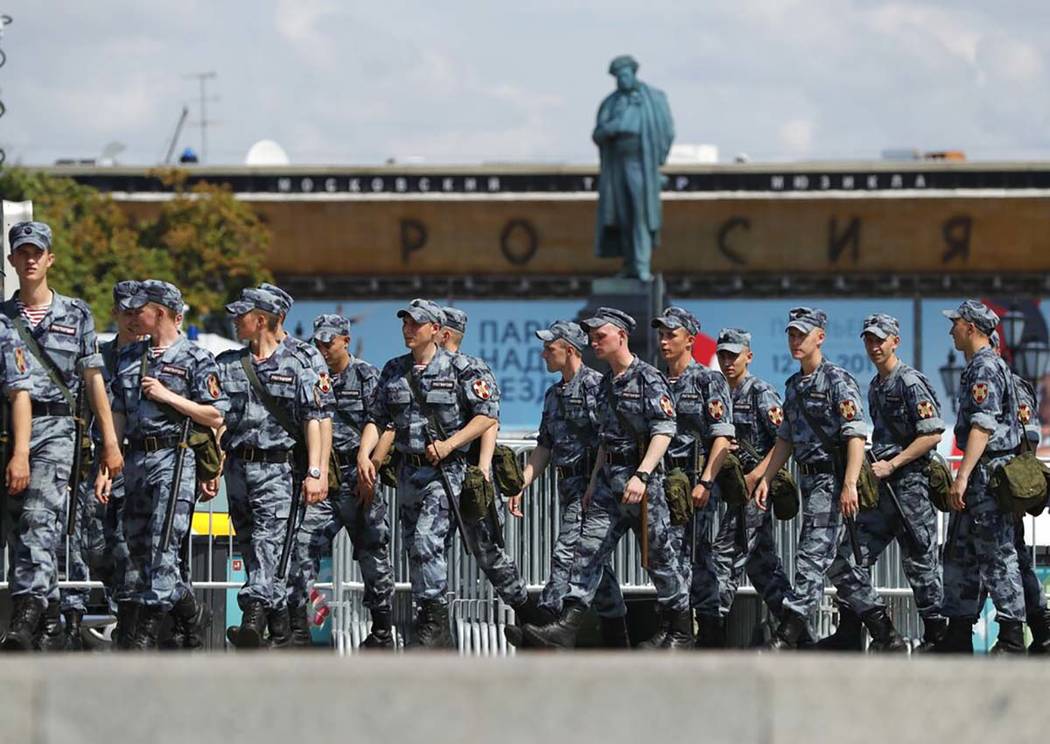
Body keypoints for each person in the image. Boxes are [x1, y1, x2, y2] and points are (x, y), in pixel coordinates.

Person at [357, 299, 546, 648]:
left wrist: (452, 446)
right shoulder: (394, 370)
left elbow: (487, 416)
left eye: (416, 324)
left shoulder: (465, 368)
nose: (408, 329)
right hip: (409, 476)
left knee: (477, 550)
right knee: (418, 549)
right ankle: (434, 624)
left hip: (452, 475)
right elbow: (378, 419)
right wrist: (365, 455)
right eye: (405, 323)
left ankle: (530, 616)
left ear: (435, 330)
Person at [523, 307, 690, 650]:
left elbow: (664, 430)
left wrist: (642, 475)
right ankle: (566, 626)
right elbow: (603, 439)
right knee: (586, 553)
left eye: (601, 336)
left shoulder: (647, 377)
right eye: (593, 336)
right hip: (605, 487)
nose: (595, 341)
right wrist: (593, 483)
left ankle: (681, 630)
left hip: (642, 485)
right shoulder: (605, 385)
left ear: (622, 337)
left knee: (660, 559)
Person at [1, 220, 123, 652]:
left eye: (38, 252)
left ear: (50, 258)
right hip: (10, 431)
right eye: (23, 253)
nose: (30, 259)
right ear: (13, 260)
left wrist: (109, 441)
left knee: (39, 517)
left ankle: (26, 614)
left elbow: (93, 380)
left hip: (57, 430)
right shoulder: (2, 319)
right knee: (27, 530)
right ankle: (51, 620)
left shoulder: (76, 313)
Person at [753, 307, 889, 650]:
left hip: (832, 483)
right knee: (839, 565)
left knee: (810, 557)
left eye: (802, 334)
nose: (795, 341)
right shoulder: (794, 385)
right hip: (810, 482)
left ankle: (788, 634)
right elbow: (785, 438)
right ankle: (887, 633)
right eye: (791, 335)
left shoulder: (837, 380)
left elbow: (855, 435)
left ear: (820, 337)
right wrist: (768, 478)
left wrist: (849, 484)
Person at [98, 280, 223, 650]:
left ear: (162, 313)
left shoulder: (196, 358)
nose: (135, 315)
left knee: (163, 547)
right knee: (136, 550)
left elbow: (215, 414)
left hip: (175, 458)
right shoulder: (129, 358)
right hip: (135, 459)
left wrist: (168, 396)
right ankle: (190, 613)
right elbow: (118, 411)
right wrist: (109, 464)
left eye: (143, 309)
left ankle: (145, 635)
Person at [823, 313, 944, 651]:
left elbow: (933, 432)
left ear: (895, 341)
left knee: (921, 566)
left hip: (910, 488)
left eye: (880, 339)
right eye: (869, 339)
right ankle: (879, 632)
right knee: (846, 557)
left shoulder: (909, 382)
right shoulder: (876, 385)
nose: (874, 345)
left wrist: (894, 463)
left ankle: (939, 638)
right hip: (882, 491)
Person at [506, 320, 628, 648]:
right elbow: (544, 446)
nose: (544, 353)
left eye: (550, 347)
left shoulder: (596, 387)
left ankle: (546, 621)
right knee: (594, 568)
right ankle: (619, 640)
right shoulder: (553, 394)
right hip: (568, 486)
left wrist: (593, 485)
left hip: (593, 487)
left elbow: (608, 439)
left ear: (570, 350)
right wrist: (522, 483)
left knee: (567, 553)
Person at [216, 287, 326, 648]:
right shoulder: (229, 364)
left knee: (268, 545)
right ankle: (280, 632)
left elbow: (316, 419)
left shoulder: (297, 364)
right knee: (251, 547)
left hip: (278, 471)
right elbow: (218, 420)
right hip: (237, 470)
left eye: (241, 314)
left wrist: (316, 471)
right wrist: (212, 468)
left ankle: (253, 617)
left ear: (260, 320)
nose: (234, 319)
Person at [291, 313, 396, 649]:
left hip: (358, 479)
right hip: (323, 481)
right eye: (318, 341)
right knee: (301, 549)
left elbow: (385, 424)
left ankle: (381, 630)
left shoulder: (366, 376)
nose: (322, 348)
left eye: (329, 342)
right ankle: (297, 630)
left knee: (373, 555)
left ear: (345, 341)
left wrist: (373, 465)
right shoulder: (310, 378)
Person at [932, 302, 1027, 654]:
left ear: (971, 328)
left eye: (955, 324)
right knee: (961, 556)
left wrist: (962, 476)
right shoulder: (978, 366)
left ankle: (1013, 638)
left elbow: (983, 426)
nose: (951, 330)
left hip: (985, 475)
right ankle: (957, 634)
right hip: (979, 477)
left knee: (997, 556)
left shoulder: (985, 367)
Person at [61, 280, 142, 650]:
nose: (132, 319)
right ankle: (73, 617)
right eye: (125, 312)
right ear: (115, 313)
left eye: (137, 312)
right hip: (95, 464)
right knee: (87, 544)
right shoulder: (99, 358)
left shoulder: (153, 358)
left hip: (138, 464)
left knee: (128, 547)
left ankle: (128, 620)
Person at [648, 307, 733, 649]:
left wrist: (706, 482)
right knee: (671, 556)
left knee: (686, 554)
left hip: (693, 481)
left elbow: (723, 437)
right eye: (661, 334)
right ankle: (680, 627)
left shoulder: (706, 380)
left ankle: (695, 631)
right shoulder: (655, 380)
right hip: (662, 482)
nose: (664, 341)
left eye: (672, 334)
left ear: (690, 340)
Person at [709, 328, 794, 639]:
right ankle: (798, 632)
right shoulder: (717, 392)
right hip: (729, 488)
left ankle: (710, 632)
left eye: (734, 355)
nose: (728, 361)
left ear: (749, 356)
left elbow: (783, 440)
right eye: (723, 355)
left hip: (753, 490)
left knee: (725, 555)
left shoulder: (760, 392)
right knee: (762, 567)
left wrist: (757, 476)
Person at [592, 55, 674, 280]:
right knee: (622, 216)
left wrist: (659, 161)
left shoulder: (654, 99)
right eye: (617, 77)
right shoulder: (611, 104)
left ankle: (641, 265)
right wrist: (611, 128)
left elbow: (667, 130)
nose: (621, 80)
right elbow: (597, 134)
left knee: (641, 215)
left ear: (633, 73)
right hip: (617, 164)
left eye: (624, 75)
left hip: (642, 163)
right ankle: (629, 265)